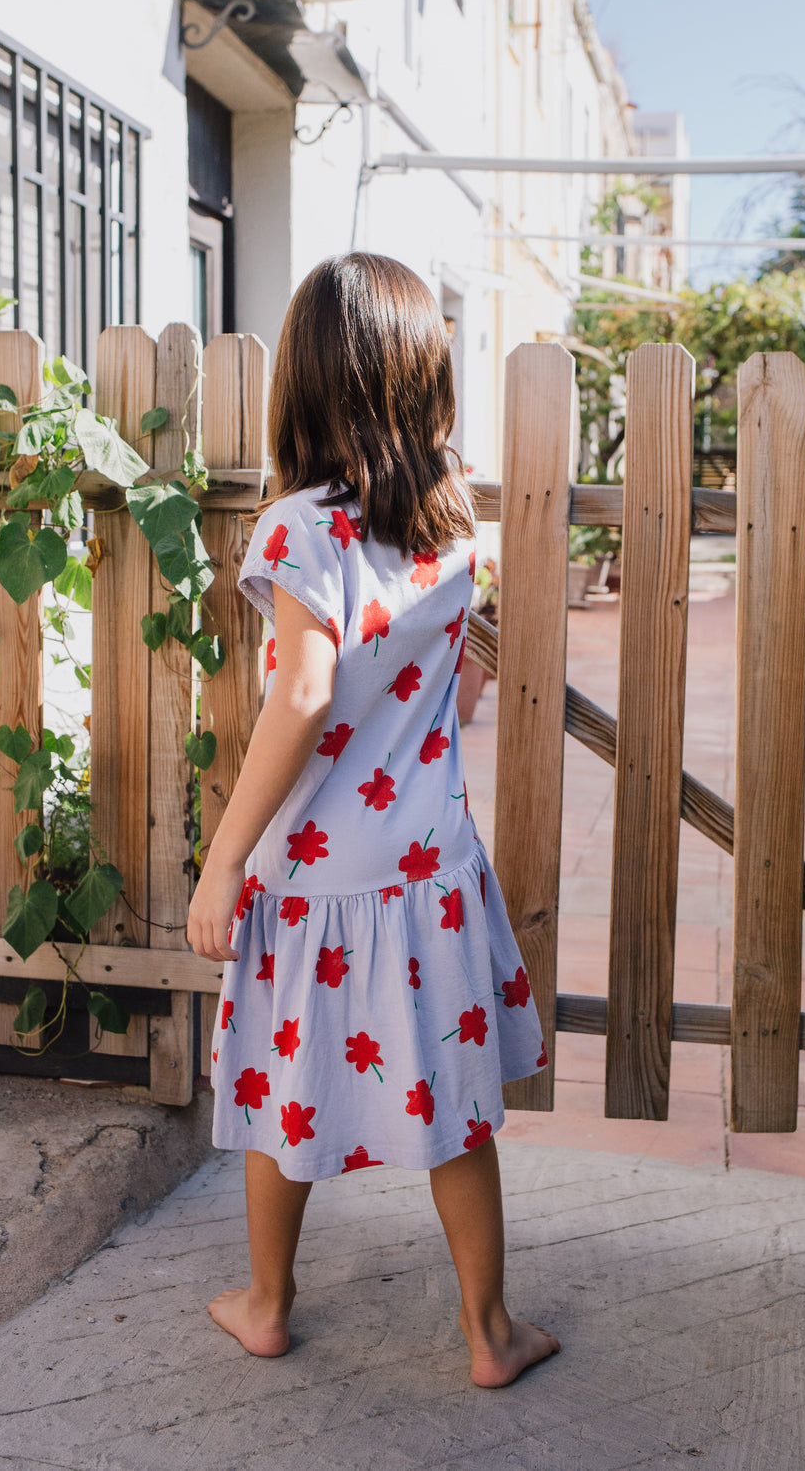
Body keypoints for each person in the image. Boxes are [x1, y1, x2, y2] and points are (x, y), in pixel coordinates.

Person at [187, 253, 559, 1388]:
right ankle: (489, 1331)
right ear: (419, 376)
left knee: (280, 1088)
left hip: (313, 874)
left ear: (304, 379)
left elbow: (301, 695)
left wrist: (223, 860)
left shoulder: (297, 529)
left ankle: (266, 1304)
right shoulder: (449, 523)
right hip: (428, 867)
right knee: (456, 1107)